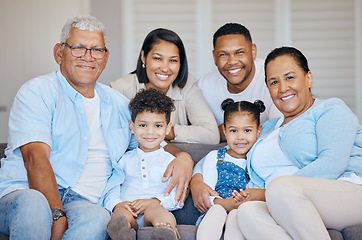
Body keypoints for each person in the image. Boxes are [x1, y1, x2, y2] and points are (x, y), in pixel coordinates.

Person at [0, 16, 193, 240]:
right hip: (26, 193)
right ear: (59, 53)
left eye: (96, 50)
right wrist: (56, 214)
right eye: (78, 48)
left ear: (105, 57)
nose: (88, 57)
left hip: (86, 201)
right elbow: (35, 159)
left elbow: (146, 144)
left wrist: (183, 157)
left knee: (99, 220)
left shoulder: (119, 104)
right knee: (34, 204)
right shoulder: (37, 92)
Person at [233, 46, 362, 240]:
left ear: (308, 78)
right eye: (274, 82)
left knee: (280, 189)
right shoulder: (267, 128)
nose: (283, 88)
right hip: (286, 202)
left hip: (347, 192)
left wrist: (268, 193)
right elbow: (230, 151)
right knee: (246, 212)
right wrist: (198, 174)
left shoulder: (330, 109)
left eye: (290, 77)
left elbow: (332, 164)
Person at [110, 28, 219, 144]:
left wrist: (162, 131)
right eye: (157, 58)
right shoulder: (121, 89)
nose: (165, 68)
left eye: (173, 60)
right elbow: (114, 137)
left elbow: (211, 135)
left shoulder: (187, 85)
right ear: (144, 57)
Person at [105, 89, 181, 240]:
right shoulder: (124, 159)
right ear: (132, 126)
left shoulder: (170, 161)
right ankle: (122, 231)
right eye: (143, 125)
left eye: (158, 126)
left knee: (158, 211)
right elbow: (111, 188)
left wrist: (154, 201)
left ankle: (165, 231)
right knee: (121, 215)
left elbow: (177, 195)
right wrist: (117, 204)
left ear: (168, 128)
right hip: (129, 208)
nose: (150, 132)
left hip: (155, 209)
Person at [198, 23, 281, 142]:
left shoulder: (274, 78)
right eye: (223, 54)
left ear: (253, 52)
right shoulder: (204, 86)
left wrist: (223, 132)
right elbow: (199, 133)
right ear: (214, 57)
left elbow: (279, 130)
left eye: (239, 52)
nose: (232, 61)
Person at [196, 99, 264, 240]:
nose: (240, 137)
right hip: (217, 207)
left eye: (247, 130)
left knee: (236, 215)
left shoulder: (260, 159)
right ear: (224, 131)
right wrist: (225, 203)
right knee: (217, 210)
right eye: (233, 130)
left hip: (245, 212)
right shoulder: (215, 157)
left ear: (258, 131)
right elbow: (208, 193)